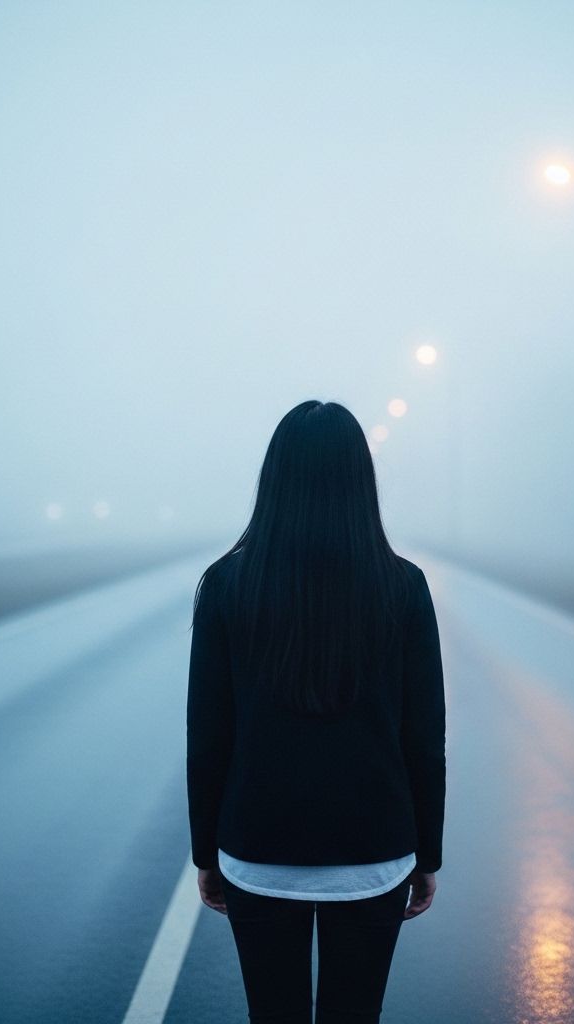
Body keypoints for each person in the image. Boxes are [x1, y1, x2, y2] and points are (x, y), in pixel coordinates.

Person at [186, 399, 446, 1024]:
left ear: (272, 482)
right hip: (375, 854)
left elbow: (208, 734)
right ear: (362, 484)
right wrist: (427, 856)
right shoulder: (403, 587)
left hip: (258, 849)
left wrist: (206, 854)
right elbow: (424, 737)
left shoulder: (226, 585)